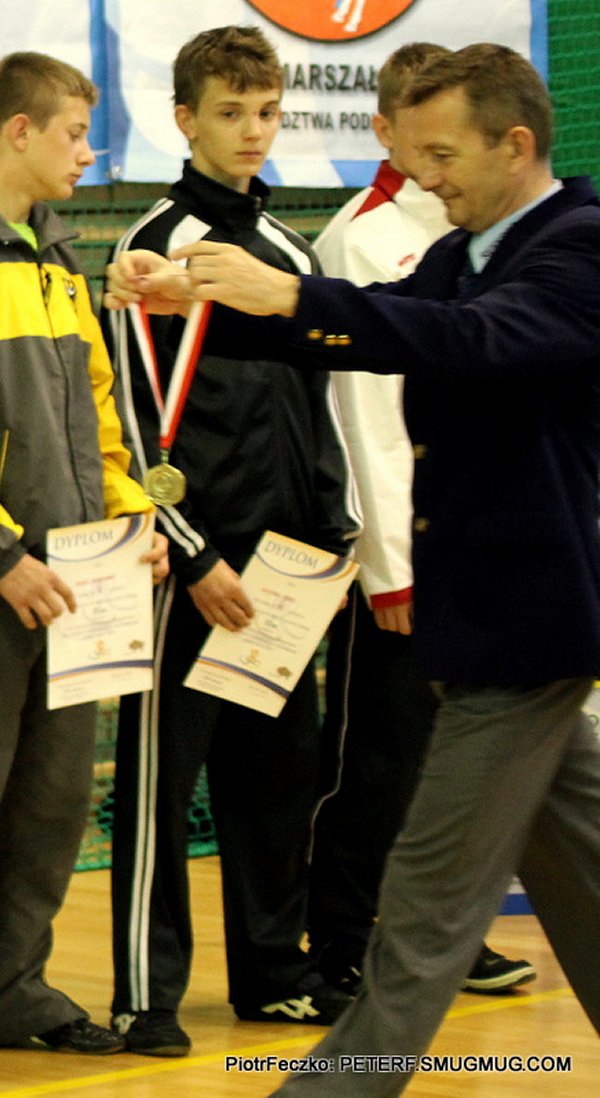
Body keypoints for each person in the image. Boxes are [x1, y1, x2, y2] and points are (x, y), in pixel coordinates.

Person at [104, 41, 600, 1096]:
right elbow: (360, 336)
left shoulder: (577, 248)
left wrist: (283, 296)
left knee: (421, 894)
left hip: (527, 625)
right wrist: (194, 305)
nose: (424, 175)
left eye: (443, 155)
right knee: (581, 870)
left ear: (515, 144)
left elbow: (464, 338)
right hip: (497, 620)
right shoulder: (468, 249)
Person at [102, 26, 361, 1058]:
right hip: (187, 569)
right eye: (229, 113)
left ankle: (274, 976)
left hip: (286, 571)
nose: (253, 132)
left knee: (279, 779)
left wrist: (332, 534)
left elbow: (320, 404)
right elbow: (129, 424)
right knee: (163, 788)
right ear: (185, 120)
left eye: (266, 112)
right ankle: (145, 996)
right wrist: (196, 553)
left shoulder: (291, 252)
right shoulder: (147, 250)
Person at [309, 41, 536, 997]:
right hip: (398, 556)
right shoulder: (362, 238)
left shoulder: (485, 233)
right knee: (381, 754)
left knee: (462, 764)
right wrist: (389, 565)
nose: (435, 163)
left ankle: (446, 934)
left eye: (449, 143)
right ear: (387, 130)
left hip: (472, 545)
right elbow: (365, 422)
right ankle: (345, 936)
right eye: (421, 140)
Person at [0, 51, 168, 1056]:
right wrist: (3, 556)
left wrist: (132, 522)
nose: (86, 154)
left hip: (73, 589)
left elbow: (99, 424)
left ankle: (14, 991)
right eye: (72, 133)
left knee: (52, 803)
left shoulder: (61, 261)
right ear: (17, 130)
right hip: (8, 581)